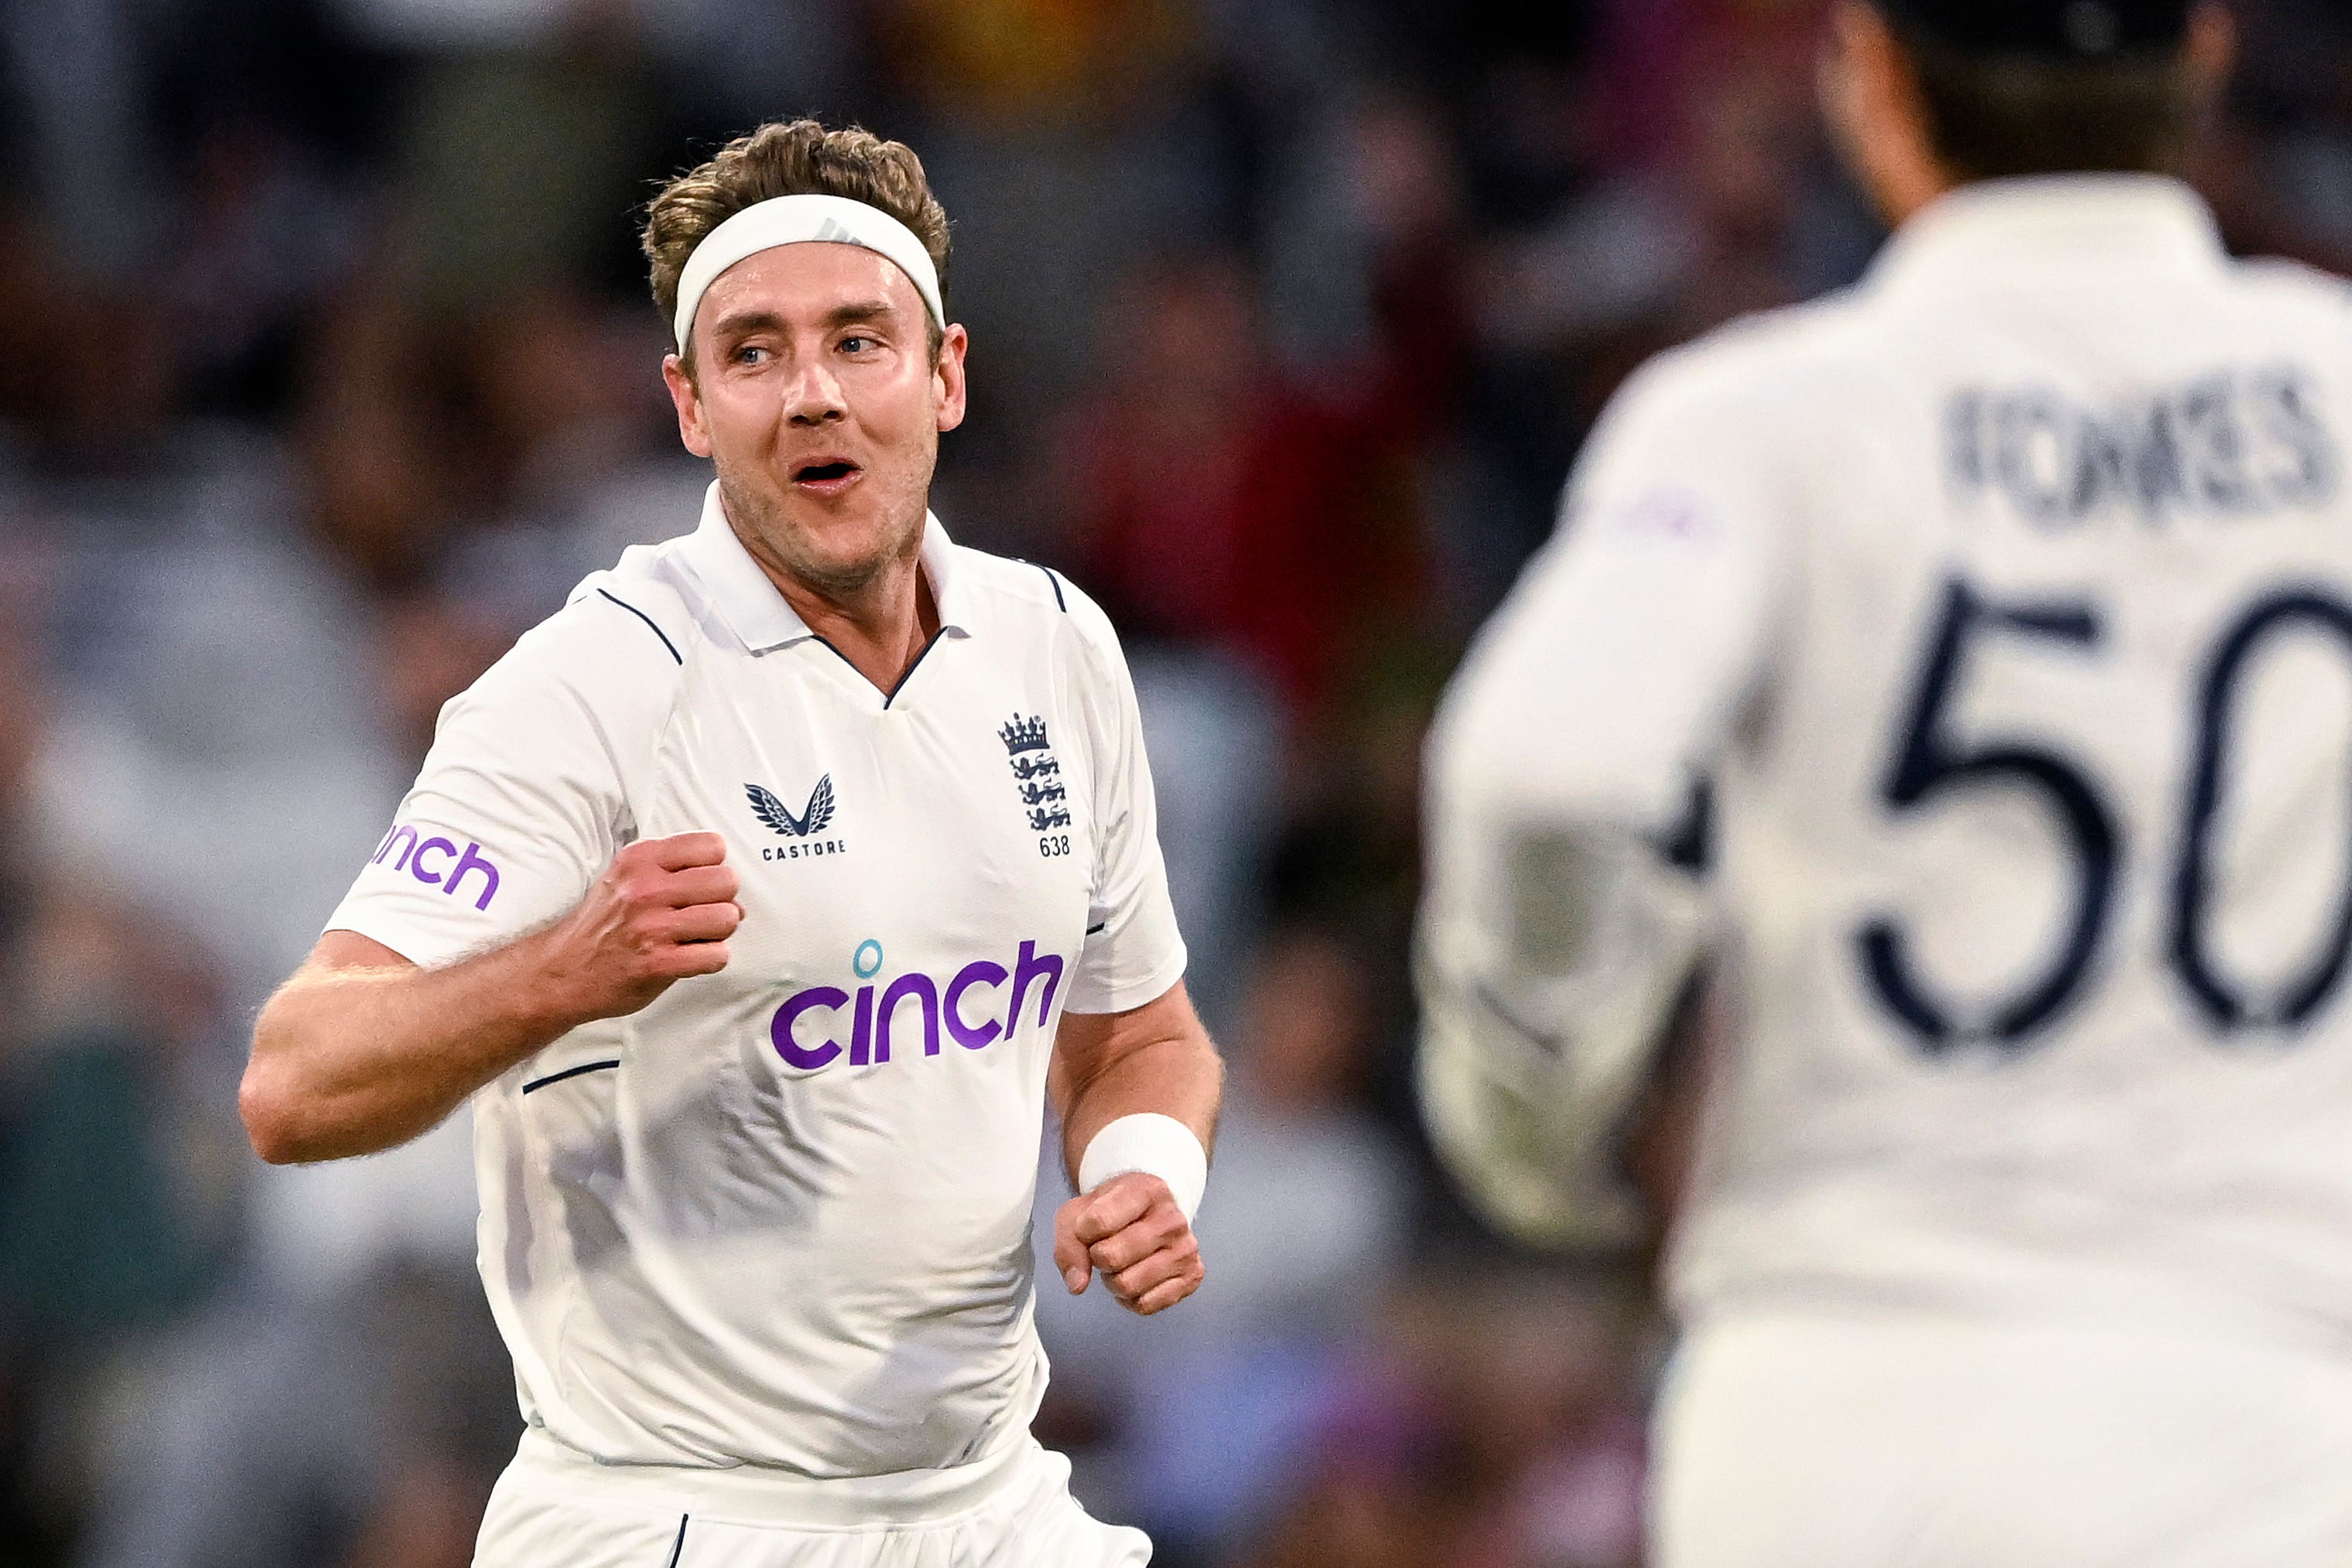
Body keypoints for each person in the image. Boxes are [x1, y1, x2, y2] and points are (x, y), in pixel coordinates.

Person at [1418, 2, 2352, 1563]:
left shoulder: (1753, 417)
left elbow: (1543, 766)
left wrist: (1529, 1123)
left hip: (1837, 1400)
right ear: (2200, 52)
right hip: (2250, 1399)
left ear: (1867, 76)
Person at [239, 118, 1222, 1567]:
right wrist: (559, 972)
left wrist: (1144, 1171)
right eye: (755, 353)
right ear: (691, 407)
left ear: (945, 374)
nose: (812, 395)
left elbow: (1140, 1030)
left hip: (990, 1504)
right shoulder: (589, 689)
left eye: (857, 341)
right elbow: (292, 1082)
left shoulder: (1055, 644)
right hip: (678, 1518)